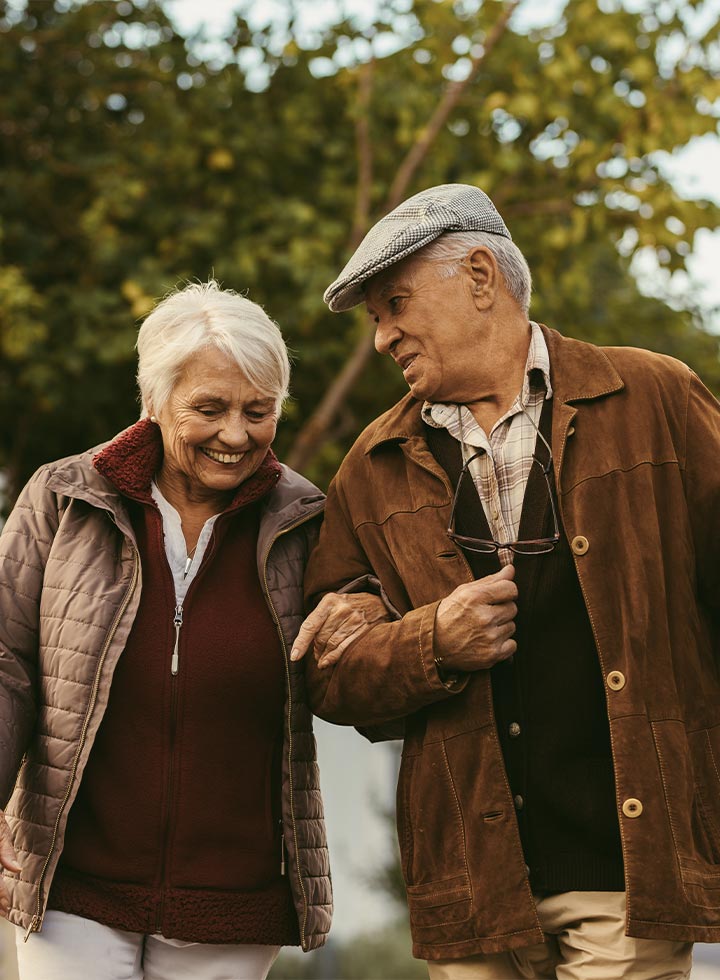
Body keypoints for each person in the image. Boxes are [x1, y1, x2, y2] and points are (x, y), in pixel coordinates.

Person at [292, 183, 720, 979]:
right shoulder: (370, 470)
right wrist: (434, 642)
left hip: (629, 870)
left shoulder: (654, 399)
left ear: (481, 276)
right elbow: (329, 673)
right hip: (473, 887)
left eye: (394, 304)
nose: (383, 337)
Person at [0, 280, 385, 980]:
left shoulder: (306, 521)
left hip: (231, 898)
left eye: (258, 411)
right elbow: (8, 665)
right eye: (208, 408)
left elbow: (346, 663)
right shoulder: (63, 497)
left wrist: (371, 617)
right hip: (72, 884)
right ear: (154, 401)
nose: (236, 435)